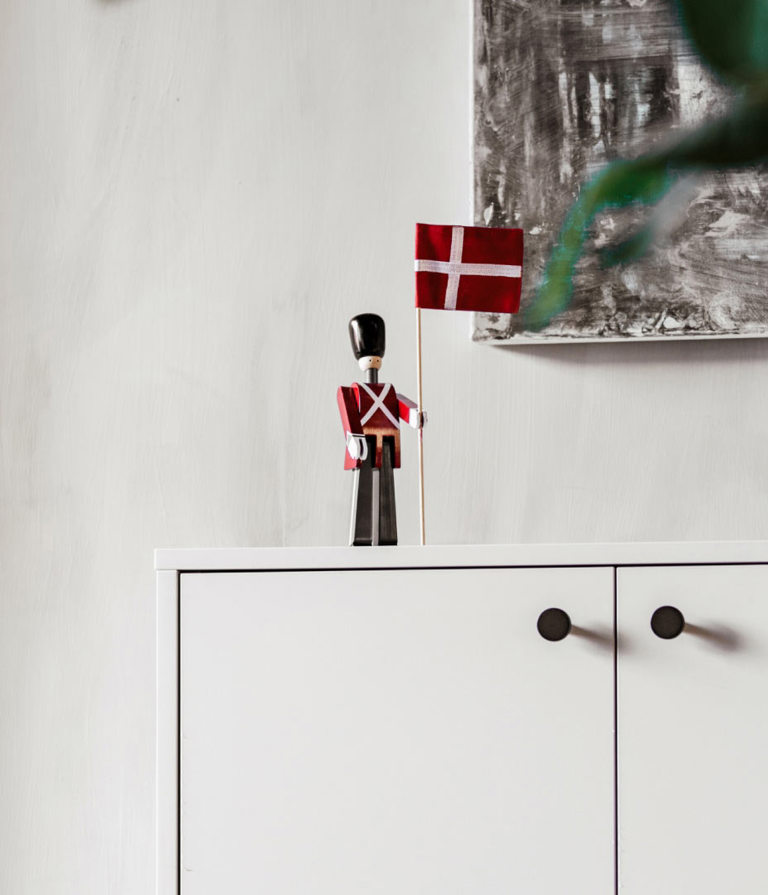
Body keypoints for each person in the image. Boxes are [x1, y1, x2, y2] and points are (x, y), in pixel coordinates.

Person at [337, 313, 425, 546]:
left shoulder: (388, 391)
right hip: (364, 444)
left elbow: (402, 404)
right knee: (364, 490)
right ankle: (362, 538)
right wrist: (354, 437)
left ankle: (387, 538)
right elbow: (348, 413)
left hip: (386, 442)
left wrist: (415, 416)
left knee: (387, 492)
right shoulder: (352, 391)